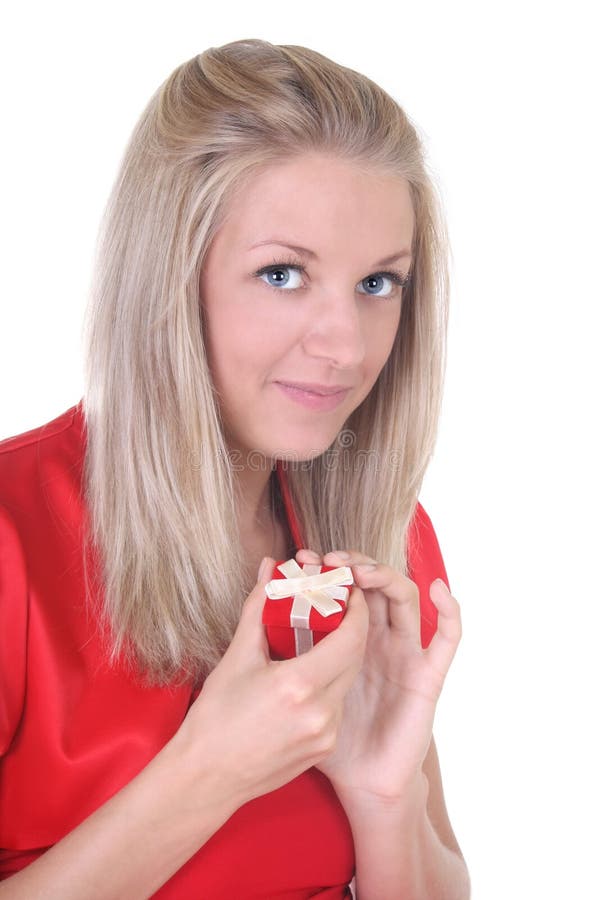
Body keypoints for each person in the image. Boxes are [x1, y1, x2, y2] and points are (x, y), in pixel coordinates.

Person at [0, 38, 470, 899]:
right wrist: (212, 769)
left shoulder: (384, 535)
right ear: (169, 278)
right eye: (283, 274)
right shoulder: (12, 537)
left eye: (378, 284)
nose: (345, 347)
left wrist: (385, 795)